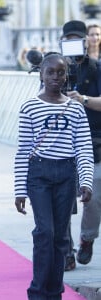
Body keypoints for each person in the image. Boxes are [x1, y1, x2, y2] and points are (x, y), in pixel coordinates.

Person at [14, 53, 94, 300]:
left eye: (61, 72)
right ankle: (38, 291)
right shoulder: (29, 106)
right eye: (51, 72)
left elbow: (83, 147)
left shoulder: (75, 108)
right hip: (39, 174)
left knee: (61, 237)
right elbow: (23, 150)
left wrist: (86, 181)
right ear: (41, 74)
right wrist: (19, 189)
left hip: (66, 175)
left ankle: (54, 290)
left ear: (66, 75)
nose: (56, 77)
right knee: (44, 232)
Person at [61, 20, 101, 269]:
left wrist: (83, 99)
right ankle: (65, 250)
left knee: (94, 195)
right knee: (61, 198)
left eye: (78, 39)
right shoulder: (54, 67)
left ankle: (86, 238)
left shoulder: (97, 68)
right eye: (69, 40)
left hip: (94, 140)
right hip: (62, 143)